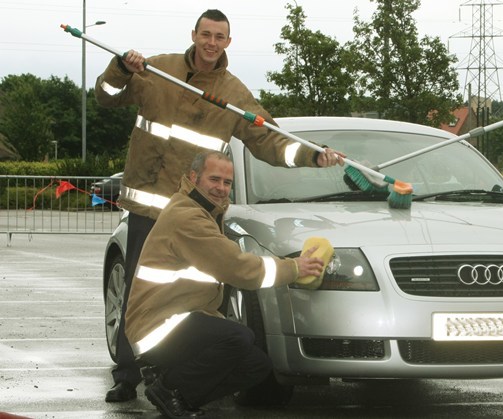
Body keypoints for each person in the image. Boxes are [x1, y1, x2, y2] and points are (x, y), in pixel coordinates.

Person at [95, 9, 344, 403]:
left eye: (220, 37)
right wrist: (121, 69)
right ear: (194, 34)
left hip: (197, 216)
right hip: (148, 213)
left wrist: (313, 157)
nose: (211, 43)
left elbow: (269, 140)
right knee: (138, 295)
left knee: (202, 296)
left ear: (228, 42)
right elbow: (104, 97)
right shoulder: (156, 71)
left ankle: (179, 374)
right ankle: (127, 375)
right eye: (206, 34)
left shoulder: (233, 93)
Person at [125, 151, 329, 418]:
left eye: (227, 182)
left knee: (256, 365)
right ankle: (169, 387)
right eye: (215, 179)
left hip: (176, 319)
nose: (221, 188)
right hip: (156, 327)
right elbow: (237, 267)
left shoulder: (204, 211)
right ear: (194, 178)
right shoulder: (187, 217)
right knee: (238, 337)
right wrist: (294, 267)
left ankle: (178, 394)